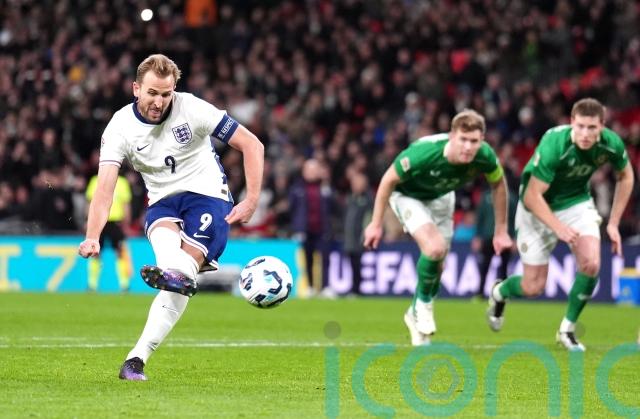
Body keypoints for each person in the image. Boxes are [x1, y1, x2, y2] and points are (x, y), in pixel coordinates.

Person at [77, 54, 264, 380]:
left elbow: (252, 144)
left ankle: (137, 357)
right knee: (170, 258)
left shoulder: (193, 109)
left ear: (174, 89)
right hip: (162, 201)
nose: (159, 101)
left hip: (208, 197)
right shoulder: (120, 127)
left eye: (166, 94)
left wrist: (252, 200)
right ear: (136, 89)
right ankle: (174, 276)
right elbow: (104, 189)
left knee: (182, 273)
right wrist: (93, 235)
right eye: (152, 93)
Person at [486, 98, 634, 352]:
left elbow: (626, 175)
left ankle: (567, 329)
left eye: (591, 127)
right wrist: (558, 227)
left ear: (602, 126)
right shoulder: (555, 144)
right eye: (580, 126)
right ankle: (500, 292)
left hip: (575, 203)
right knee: (533, 286)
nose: (585, 134)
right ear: (571, 122)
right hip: (536, 208)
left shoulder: (611, 144)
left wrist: (613, 223)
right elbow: (532, 196)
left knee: (591, 263)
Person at [363, 109, 513, 346]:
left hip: (442, 197)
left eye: (474, 141)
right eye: (463, 139)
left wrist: (501, 230)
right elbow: (388, 180)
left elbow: (498, 185)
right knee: (434, 248)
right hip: (408, 196)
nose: (468, 147)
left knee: (439, 265)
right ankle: (423, 305)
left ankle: (413, 313)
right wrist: (375, 223)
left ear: (482, 140)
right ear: (452, 136)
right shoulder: (425, 153)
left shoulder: (485, 156)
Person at [85, 173, 133, 292]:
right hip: (98, 221)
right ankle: (92, 285)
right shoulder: (95, 180)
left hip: (116, 221)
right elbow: (90, 202)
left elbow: (126, 204)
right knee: (95, 252)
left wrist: (126, 223)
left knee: (120, 252)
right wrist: (89, 221)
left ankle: (124, 285)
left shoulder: (122, 182)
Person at [471, 187, 517, 299]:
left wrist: (515, 238)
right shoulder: (486, 196)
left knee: (504, 267)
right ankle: (480, 292)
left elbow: (515, 219)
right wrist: (477, 236)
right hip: (488, 236)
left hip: (506, 237)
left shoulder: (511, 198)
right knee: (484, 266)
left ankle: (503, 293)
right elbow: (480, 217)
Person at [343, 170, 373, 295]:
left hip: (359, 238)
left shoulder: (368, 200)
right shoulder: (349, 199)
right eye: (354, 183)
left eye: (359, 183)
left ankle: (357, 289)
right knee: (351, 264)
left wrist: (365, 237)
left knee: (358, 265)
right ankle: (354, 288)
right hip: (349, 238)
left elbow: (369, 220)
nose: (356, 185)